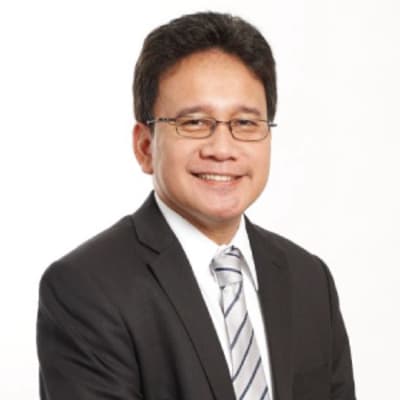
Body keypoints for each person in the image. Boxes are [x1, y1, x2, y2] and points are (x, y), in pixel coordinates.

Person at [37, 11, 356, 400]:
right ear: (145, 146)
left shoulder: (309, 279)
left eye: (245, 123)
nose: (222, 149)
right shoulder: (86, 288)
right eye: (194, 123)